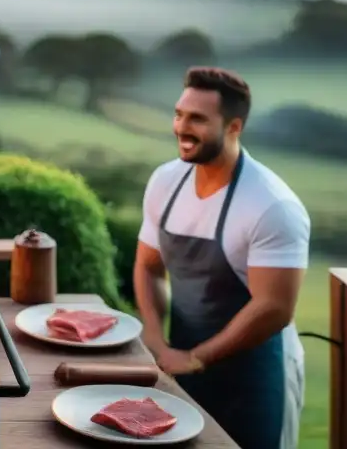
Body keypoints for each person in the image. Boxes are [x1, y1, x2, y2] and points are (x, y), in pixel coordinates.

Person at [134, 67, 309, 449]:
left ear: (234, 127)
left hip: (256, 374)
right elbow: (149, 267)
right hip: (182, 356)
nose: (181, 127)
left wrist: (197, 357)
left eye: (197, 119)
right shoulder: (165, 182)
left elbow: (274, 308)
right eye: (179, 114)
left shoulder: (271, 205)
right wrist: (151, 332)